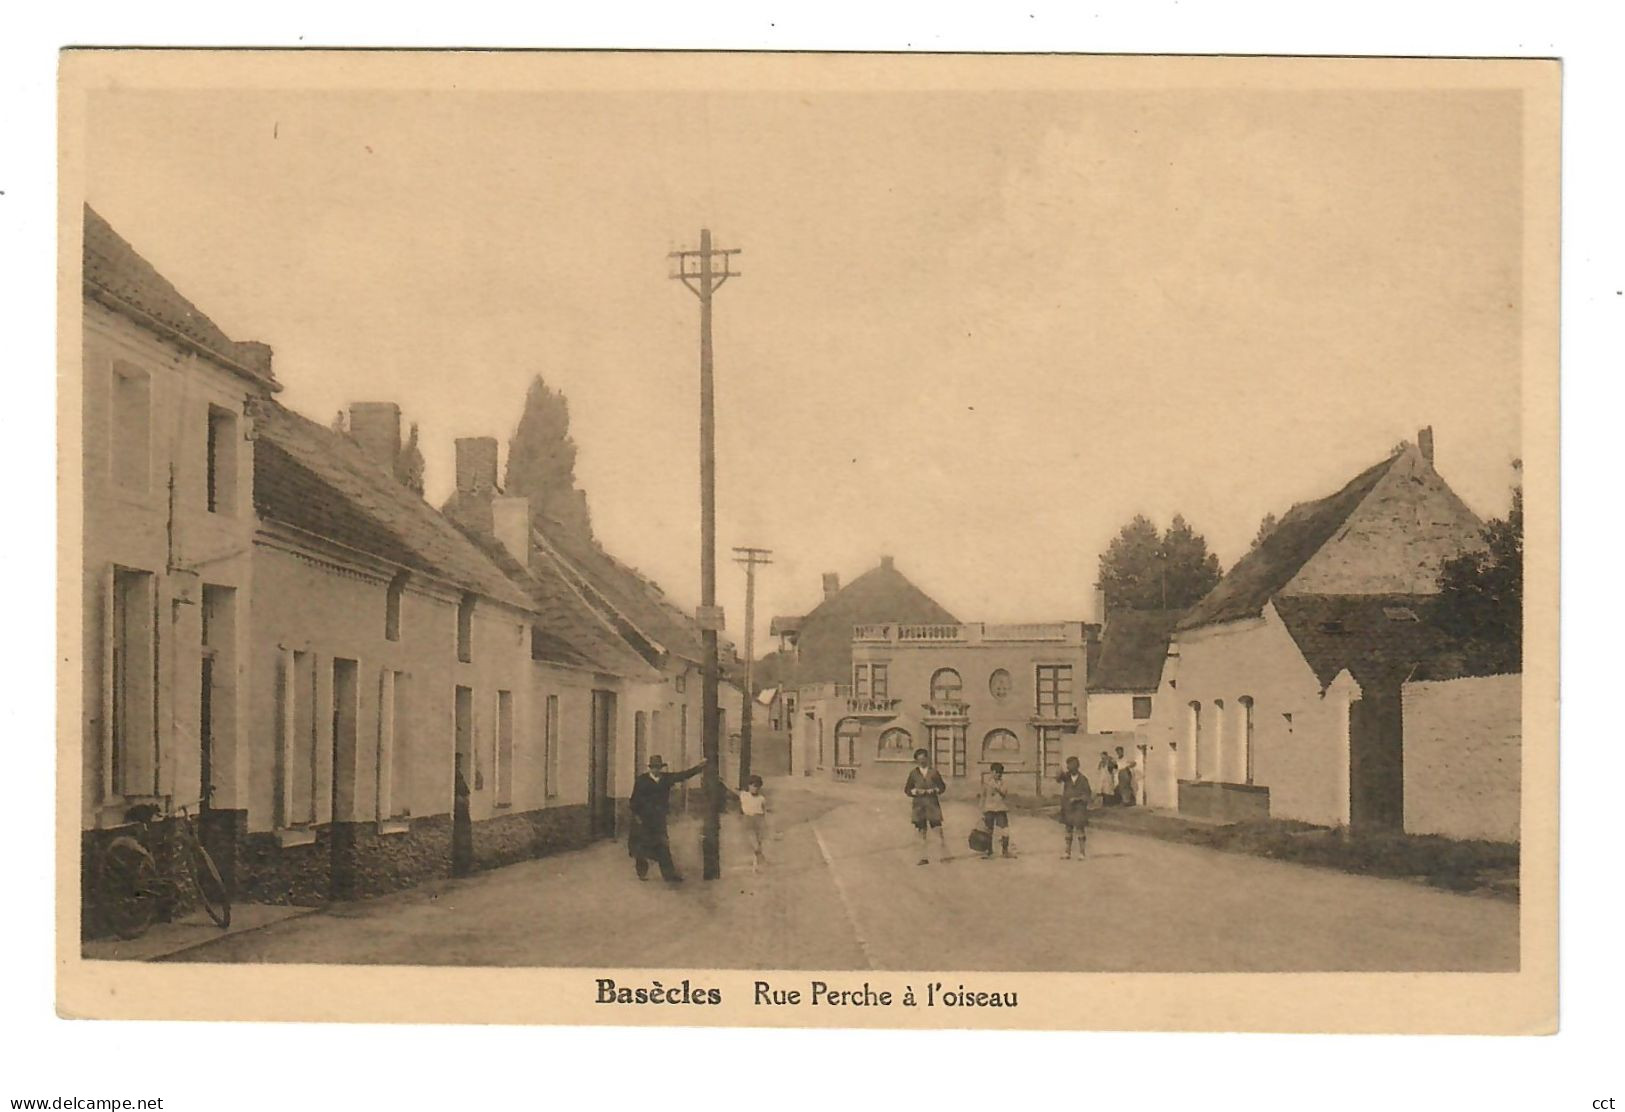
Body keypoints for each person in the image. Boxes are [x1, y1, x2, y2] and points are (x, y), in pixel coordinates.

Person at [628, 755, 704, 882]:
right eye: (654, 768)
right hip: (643, 819)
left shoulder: (665, 779)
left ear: (661, 768)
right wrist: (637, 816)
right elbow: (634, 800)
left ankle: (669, 875)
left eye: (658, 768)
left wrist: (698, 768)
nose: (656, 770)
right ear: (650, 768)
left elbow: (682, 775)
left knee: (663, 845)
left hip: (658, 819)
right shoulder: (641, 780)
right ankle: (642, 872)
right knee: (641, 847)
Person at [904, 748, 949, 865]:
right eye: (919, 759)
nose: (922, 761)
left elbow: (942, 787)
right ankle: (922, 857)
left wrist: (933, 790)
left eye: (924, 759)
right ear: (916, 761)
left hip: (932, 805)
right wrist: (915, 791)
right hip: (919, 806)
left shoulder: (934, 772)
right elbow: (907, 790)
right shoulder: (913, 773)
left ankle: (942, 856)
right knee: (921, 832)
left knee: (937, 830)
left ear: (927, 759)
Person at [1056, 755, 1093, 859]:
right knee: (1068, 829)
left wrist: (1077, 799)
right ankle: (1067, 852)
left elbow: (1087, 794)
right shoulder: (1066, 777)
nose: (1069, 767)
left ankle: (1082, 853)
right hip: (1067, 807)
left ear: (1077, 766)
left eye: (1072, 765)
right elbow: (1058, 779)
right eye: (1068, 765)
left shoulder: (1083, 779)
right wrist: (1058, 771)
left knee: (1080, 829)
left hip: (1079, 808)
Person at [978, 762, 1013, 859]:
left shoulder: (1003, 783)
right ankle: (988, 851)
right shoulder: (986, 783)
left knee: (1005, 830)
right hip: (989, 809)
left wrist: (997, 787)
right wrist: (981, 810)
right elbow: (983, 796)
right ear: (991, 772)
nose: (998, 774)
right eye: (996, 772)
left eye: (1000, 772)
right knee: (988, 830)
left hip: (1000, 808)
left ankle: (1005, 850)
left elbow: (1004, 794)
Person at [739, 774, 769, 869]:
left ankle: (756, 865)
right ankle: (762, 860)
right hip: (748, 820)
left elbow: (764, 811)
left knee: (759, 843)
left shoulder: (761, 798)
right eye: (753, 786)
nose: (755, 788)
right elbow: (732, 789)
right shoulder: (744, 795)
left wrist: (765, 823)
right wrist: (722, 781)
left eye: (757, 786)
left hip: (759, 820)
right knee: (755, 844)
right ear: (749, 786)